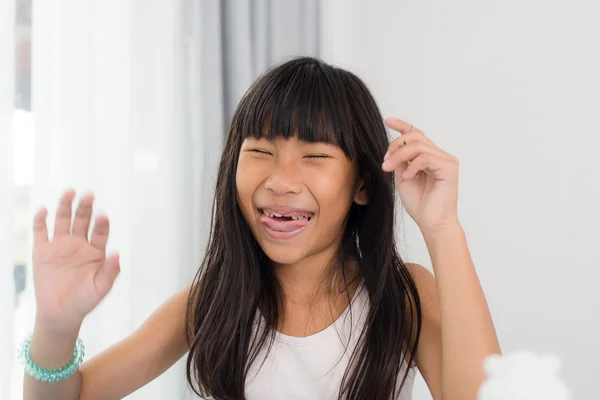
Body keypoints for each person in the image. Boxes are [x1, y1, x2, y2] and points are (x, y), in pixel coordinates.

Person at [22, 57, 500, 400]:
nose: (280, 181)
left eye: (314, 156)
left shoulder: (402, 294)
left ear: (362, 185)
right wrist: (54, 327)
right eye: (260, 151)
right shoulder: (211, 302)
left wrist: (442, 229)